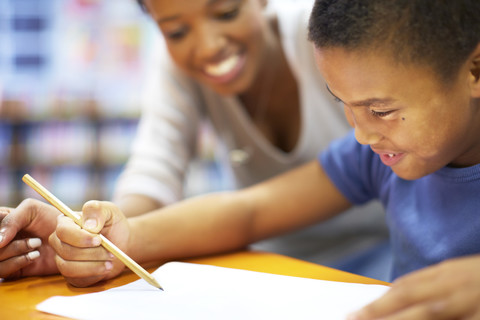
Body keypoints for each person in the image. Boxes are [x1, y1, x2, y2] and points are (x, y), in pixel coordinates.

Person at [29, 0, 480, 318]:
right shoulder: (374, 154)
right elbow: (249, 210)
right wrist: (122, 240)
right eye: (342, 103)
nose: (360, 133)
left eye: (381, 110)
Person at [0, 0, 388, 280]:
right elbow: (155, 172)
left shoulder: (325, 36)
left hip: (380, 255)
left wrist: (125, 236)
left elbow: (248, 212)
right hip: (268, 266)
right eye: (176, 31)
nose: (207, 46)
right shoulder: (175, 68)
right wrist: (91, 233)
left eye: (226, 13)